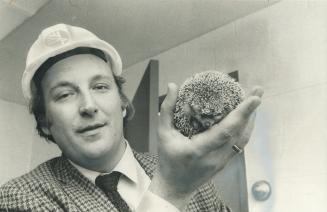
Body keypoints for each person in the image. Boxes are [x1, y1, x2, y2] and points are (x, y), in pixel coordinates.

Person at [0, 24, 263, 212]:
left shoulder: (189, 173)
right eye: (65, 94)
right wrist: (172, 191)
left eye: (100, 87)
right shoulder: (20, 198)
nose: (88, 106)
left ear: (123, 104)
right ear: (45, 121)